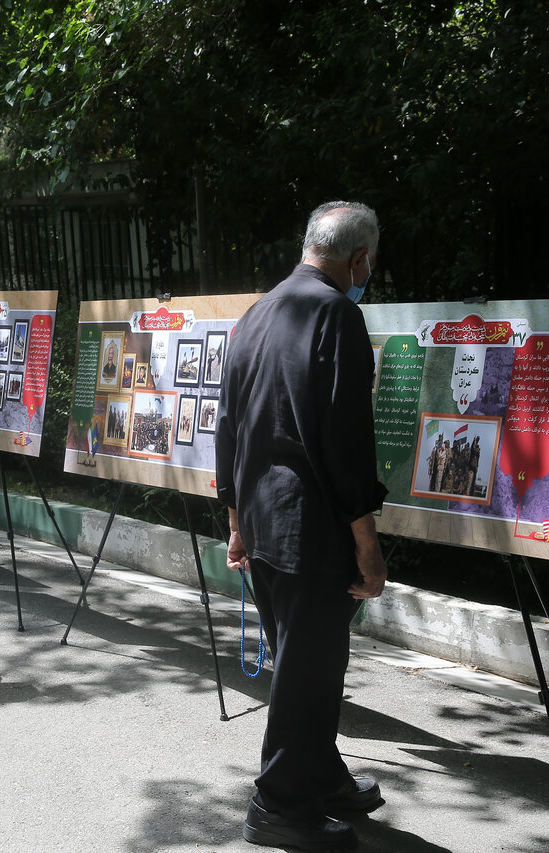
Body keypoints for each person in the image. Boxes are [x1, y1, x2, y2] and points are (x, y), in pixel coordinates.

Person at [216, 201, 388, 852]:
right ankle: (280, 805)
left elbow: (229, 427)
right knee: (307, 669)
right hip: (310, 527)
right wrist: (367, 543)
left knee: (308, 662)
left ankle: (321, 775)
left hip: (262, 524)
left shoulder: (258, 314)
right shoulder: (338, 313)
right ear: (359, 259)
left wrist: (235, 520)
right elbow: (346, 440)